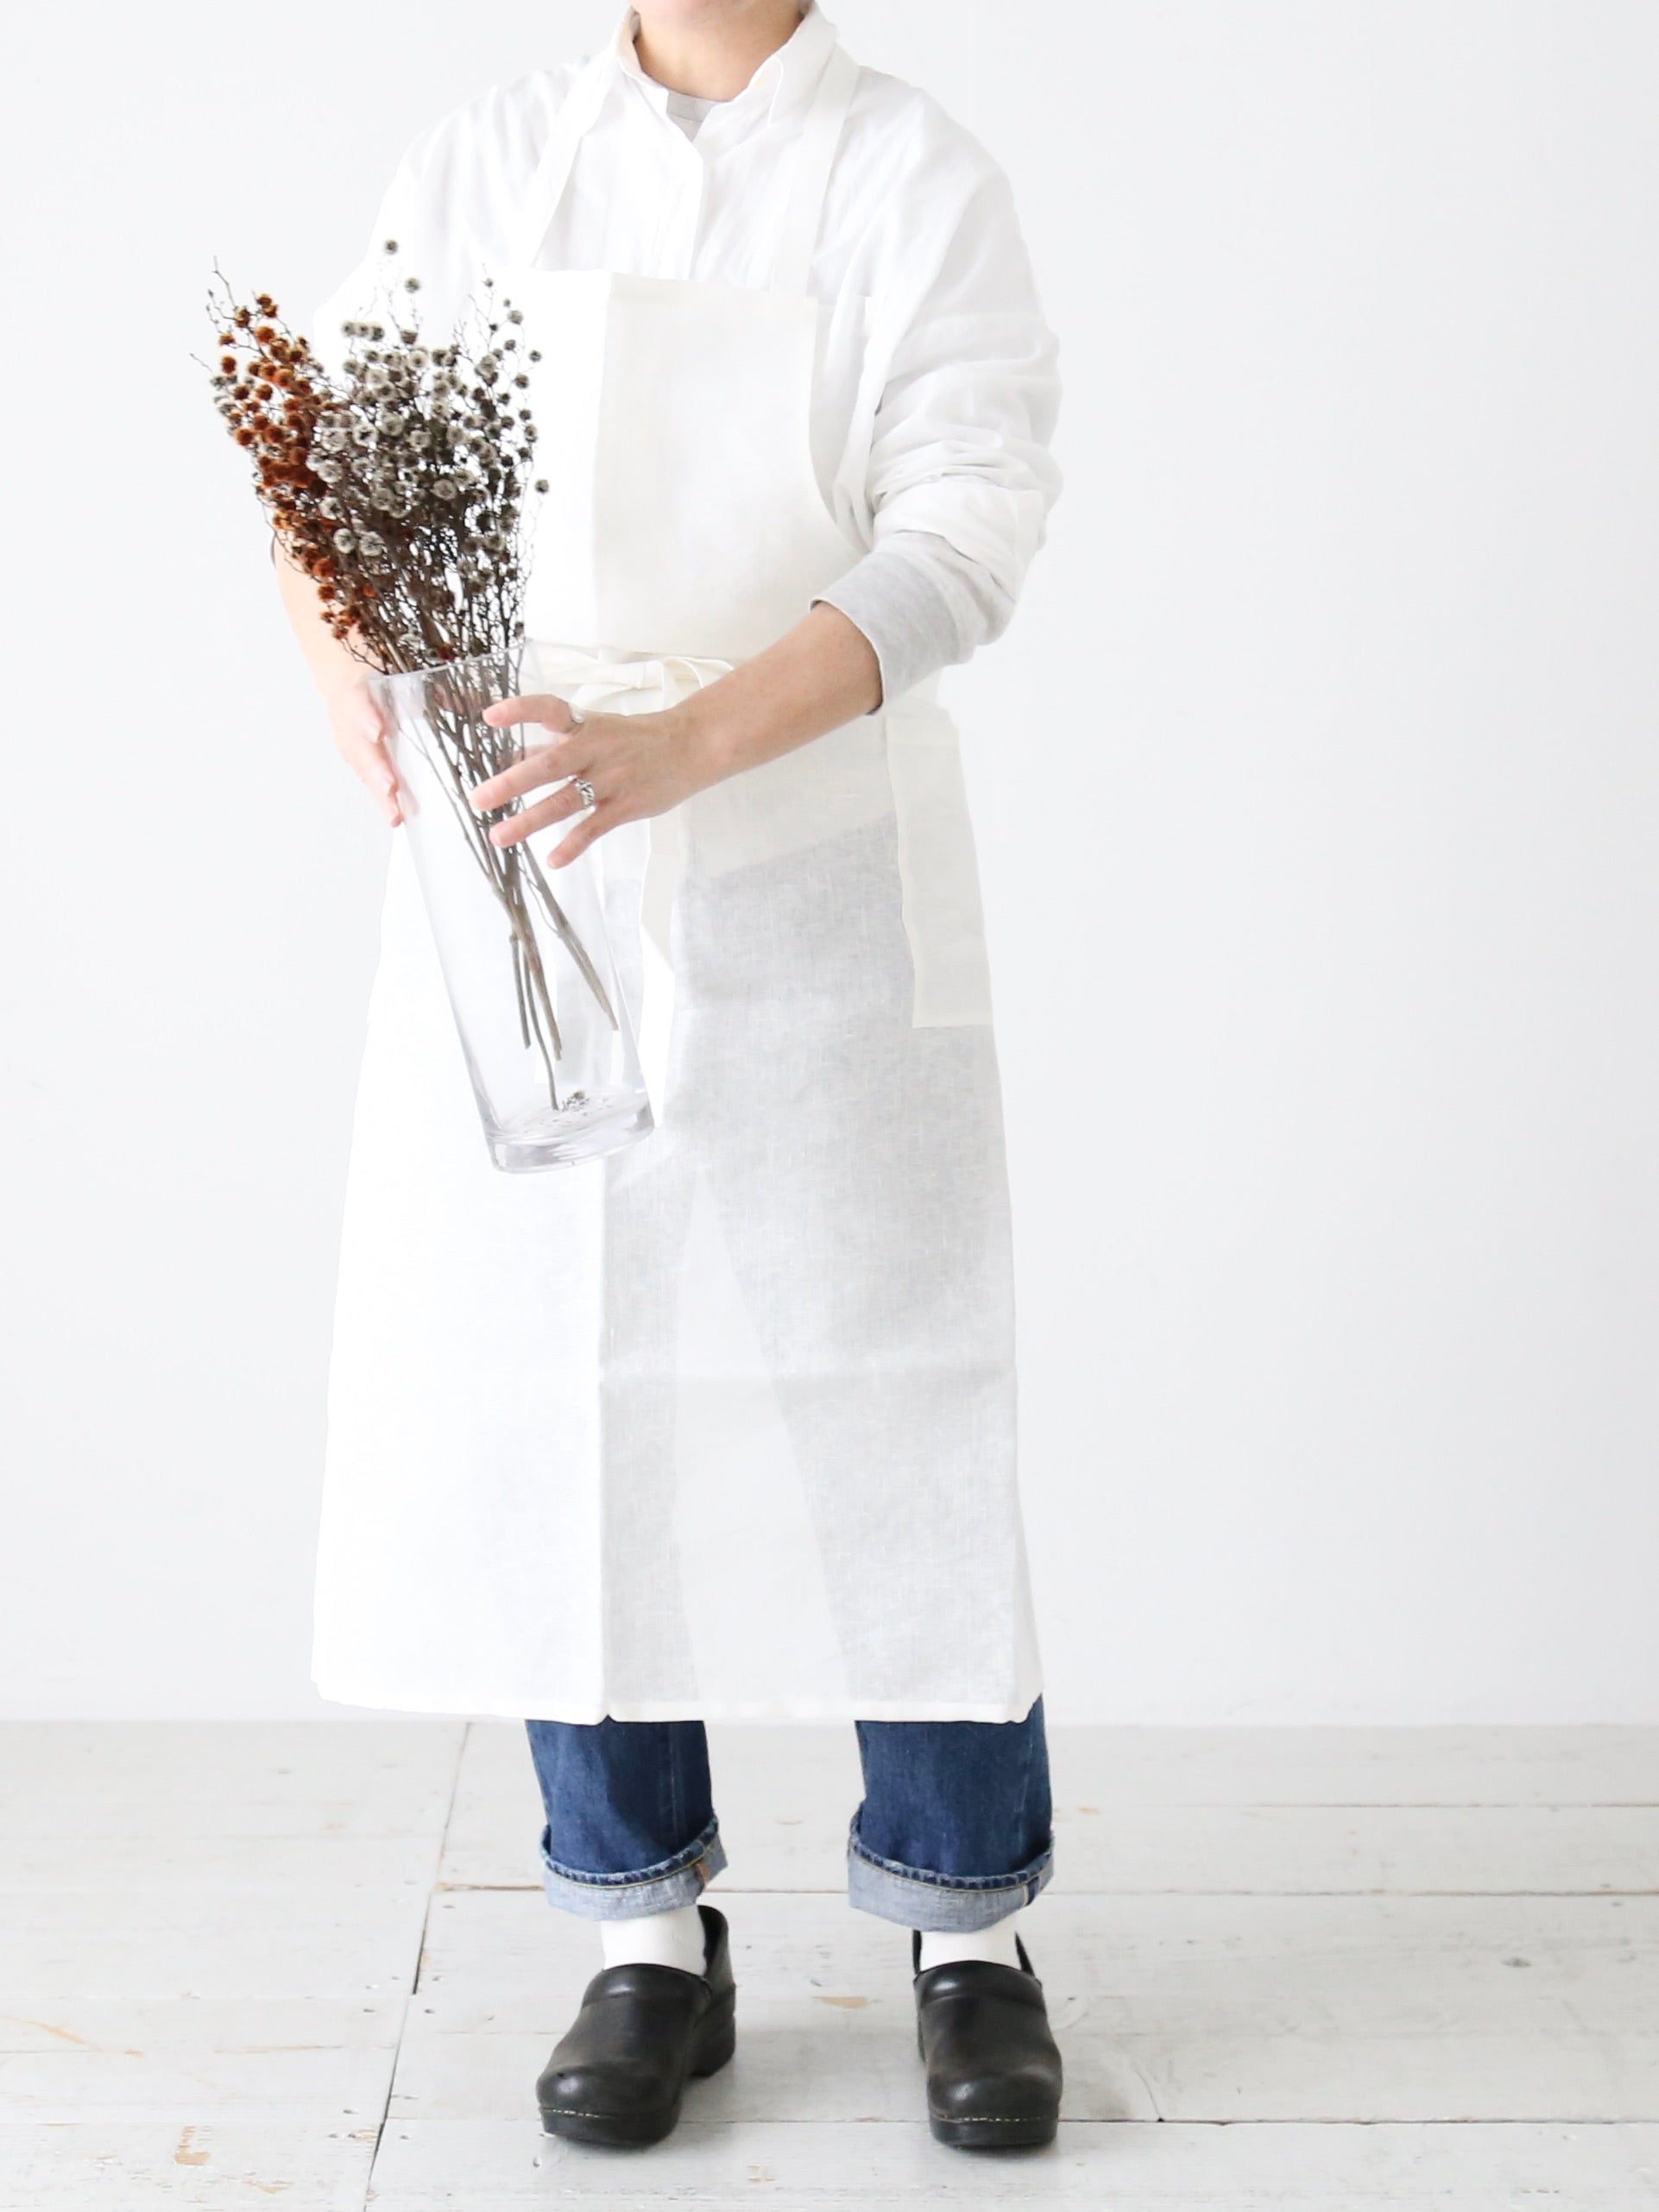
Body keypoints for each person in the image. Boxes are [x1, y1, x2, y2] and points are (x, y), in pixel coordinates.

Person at [284, 0, 1064, 2154]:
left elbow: (964, 536)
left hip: (813, 877)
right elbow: (329, 472)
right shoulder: (484, 165)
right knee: (569, 1390)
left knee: (888, 1389)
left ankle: (967, 1932)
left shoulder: (909, 177)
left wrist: (681, 743)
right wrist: (346, 665)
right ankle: (641, 1926)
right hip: (531, 868)